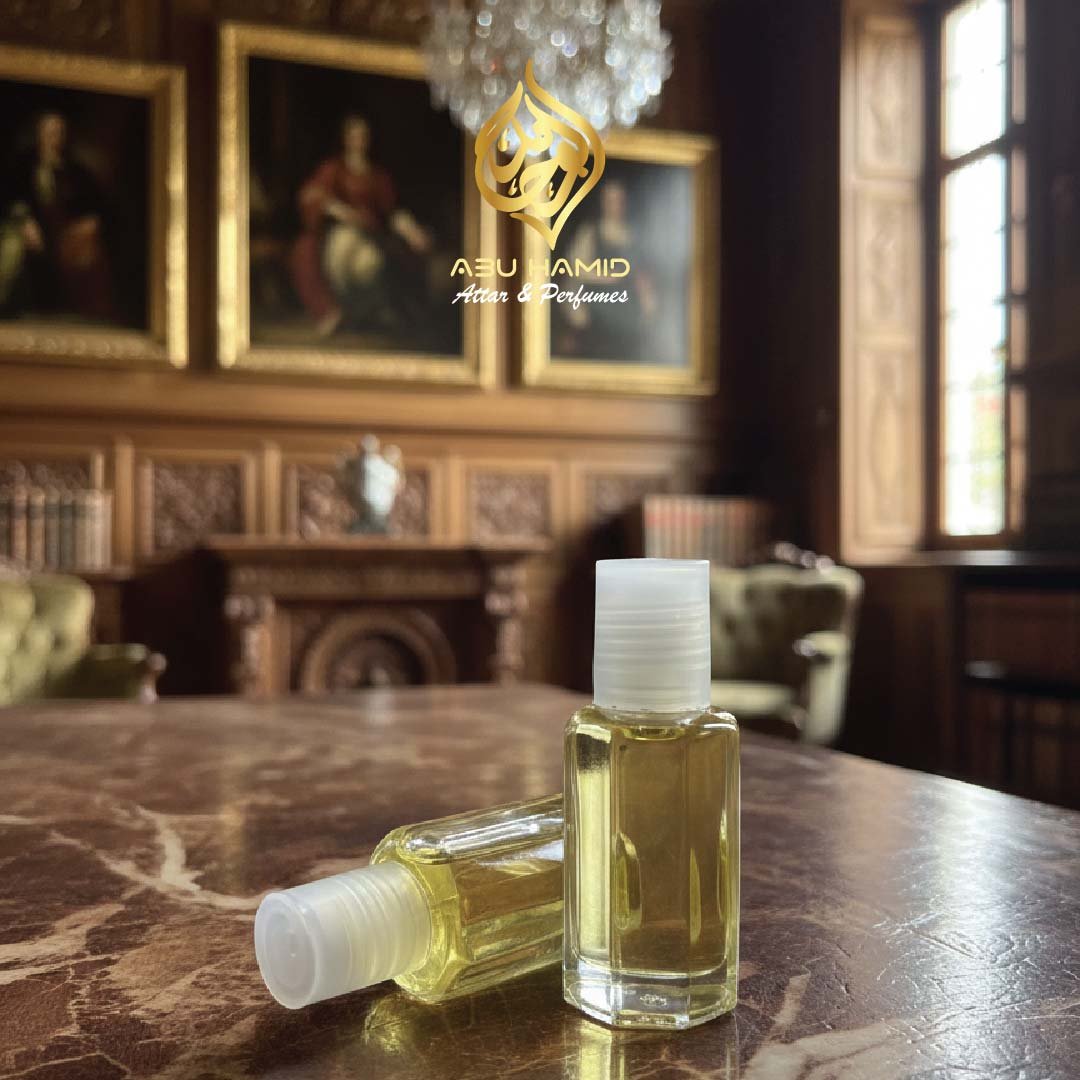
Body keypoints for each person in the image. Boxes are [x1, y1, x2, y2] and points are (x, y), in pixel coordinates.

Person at [290, 114, 432, 338]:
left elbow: (392, 212)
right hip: (338, 234)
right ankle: (336, 313)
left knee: (370, 264)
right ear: (346, 138)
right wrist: (340, 210)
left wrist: (412, 232)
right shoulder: (334, 169)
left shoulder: (377, 176)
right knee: (332, 255)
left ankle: (368, 312)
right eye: (354, 136)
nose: (359, 141)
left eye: (363, 136)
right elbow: (311, 195)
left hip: (370, 235)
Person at [0, 111, 114, 321]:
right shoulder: (23, 165)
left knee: (89, 249)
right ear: (38, 135)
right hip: (32, 228)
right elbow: (11, 197)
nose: (54, 138)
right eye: (49, 132)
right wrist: (25, 221)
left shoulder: (74, 169)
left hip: (64, 231)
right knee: (12, 246)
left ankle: (92, 313)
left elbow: (93, 204)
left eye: (58, 133)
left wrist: (90, 220)